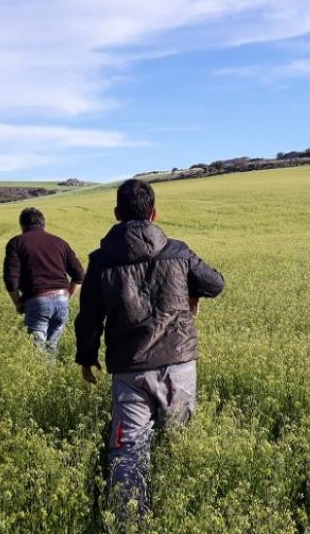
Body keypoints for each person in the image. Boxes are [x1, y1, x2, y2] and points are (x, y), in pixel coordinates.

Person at [75, 179, 224, 513]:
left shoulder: (101, 261)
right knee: (178, 440)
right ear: (154, 213)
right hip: (179, 362)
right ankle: (178, 510)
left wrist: (86, 357)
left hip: (130, 369)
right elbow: (216, 283)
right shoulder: (178, 251)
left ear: (116, 214)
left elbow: (89, 317)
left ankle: (129, 528)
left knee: (129, 449)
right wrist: (193, 292)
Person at [3, 207, 84, 355]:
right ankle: (50, 376)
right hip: (61, 300)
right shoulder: (60, 243)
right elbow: (79, 274)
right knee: (51, 349)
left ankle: (42, 377)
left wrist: (18, 303)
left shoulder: (16, 243)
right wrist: (68, 297)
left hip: (37, 300)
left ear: (22, 225)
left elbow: (10, 279)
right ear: (43, 224)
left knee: (38, 353)